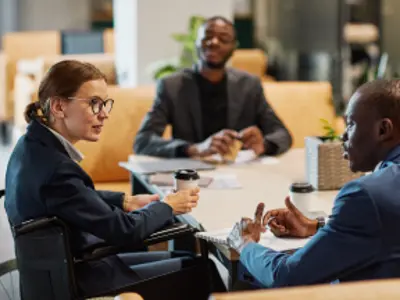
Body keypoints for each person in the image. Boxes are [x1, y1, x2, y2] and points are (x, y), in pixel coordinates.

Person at [4, 60, 223, 297]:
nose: (105, 114)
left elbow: (65, 196)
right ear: (58, 107)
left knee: (187, 259)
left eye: (105, 103)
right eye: (94, 104)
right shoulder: (57, 169)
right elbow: (125, 231)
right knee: (203, 269)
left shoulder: (30, 145)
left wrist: (124, 201)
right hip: (80, 278)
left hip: (56, 271)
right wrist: (167, 206)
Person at [227, 79, 400, 287]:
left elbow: (288, 277)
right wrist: (316, 227)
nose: (343, 135)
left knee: (239, 281)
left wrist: (245, 244)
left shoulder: (365, 195)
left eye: (351, 124)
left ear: (383, 129)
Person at [134, 16, 292, 158]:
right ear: (197, 42)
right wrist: (194, 149)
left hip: (240, 173)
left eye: (223, 39)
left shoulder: (249, 85)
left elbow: (282, 135)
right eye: (207, 36)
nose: (214, 42)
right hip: (192, 174)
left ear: (233, 47)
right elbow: (143, 141)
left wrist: (263, 145)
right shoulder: (172, 86)